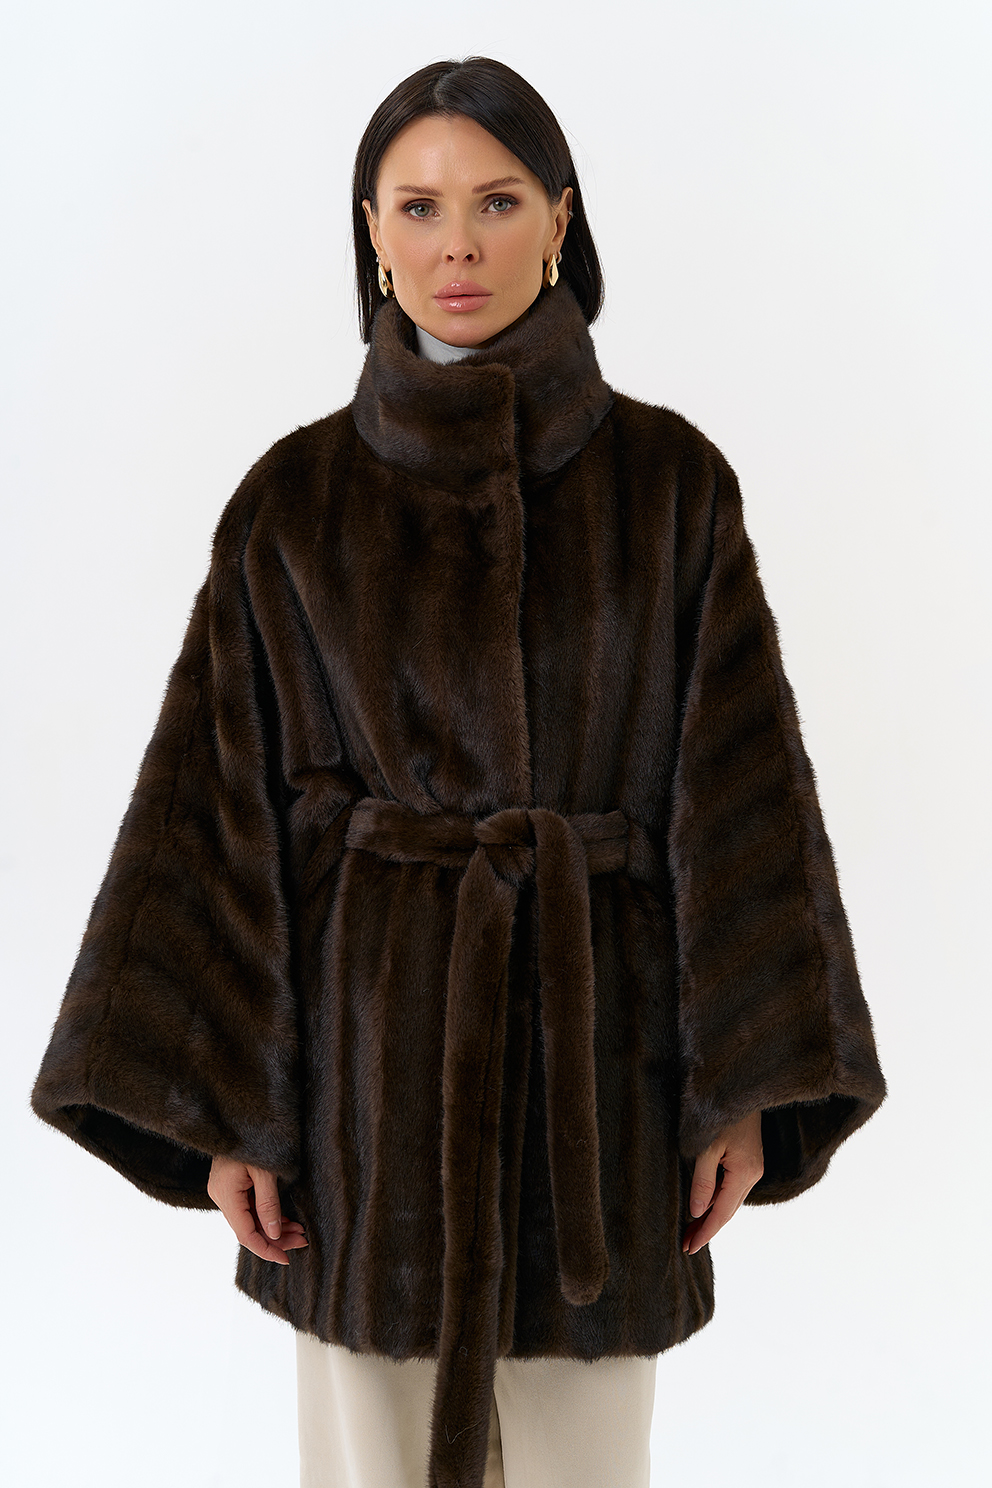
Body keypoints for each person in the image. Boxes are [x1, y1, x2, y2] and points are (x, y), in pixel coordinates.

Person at [31, 56, 886, 1488]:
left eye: (497, 201)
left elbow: (741, 796)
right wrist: (236, 1107)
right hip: (362, 1107)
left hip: (600, 1088)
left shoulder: (672, 487)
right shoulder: (292, 503)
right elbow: (215, 812)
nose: (458, 245)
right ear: (371, 229)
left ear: (561, 217)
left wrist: (740, 1084)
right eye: (419, 207)